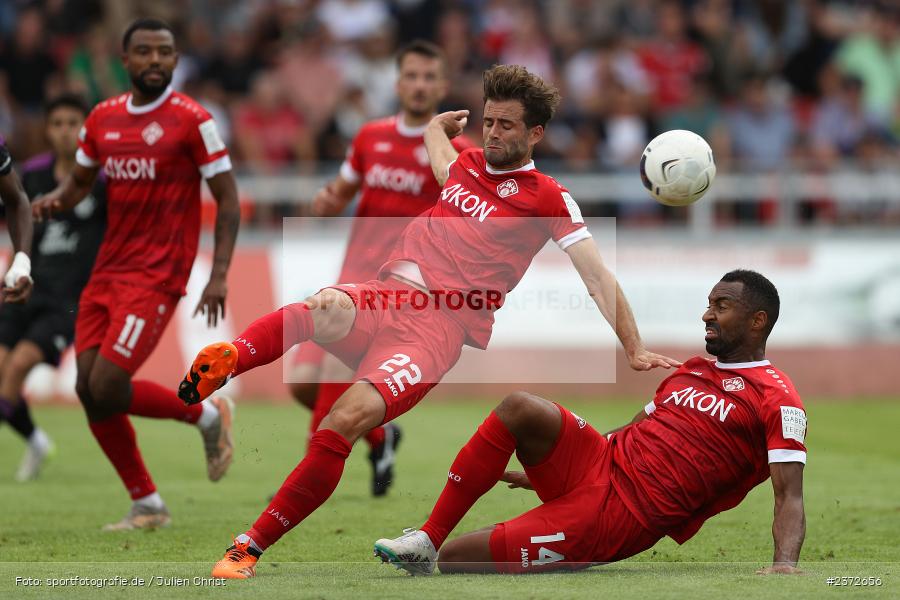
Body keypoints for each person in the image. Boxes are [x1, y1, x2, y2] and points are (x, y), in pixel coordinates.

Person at [179, 64, 679, 579]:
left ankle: (246, 548)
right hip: (385, 297)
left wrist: (634, 347)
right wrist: (436, 128)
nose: (493, 133)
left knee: (342, 422)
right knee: (322, 305)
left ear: (535, 133)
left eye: (506, 125)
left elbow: (596, 276)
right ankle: (230, 359)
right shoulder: (467, 166)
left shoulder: (547, 197)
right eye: (489, 121)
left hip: (434, 333)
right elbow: (442, 159)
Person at [374, 270, 807, 577]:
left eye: (721, 306)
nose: (707, 315)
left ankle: (465, 546)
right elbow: (636, 427)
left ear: (757, 320)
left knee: (459, 558)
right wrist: (557, 466)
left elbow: (789, 493)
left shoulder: (776, 397)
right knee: (520, 406)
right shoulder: (691, 370)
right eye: (709, 305)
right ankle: (427, 538)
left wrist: (784, 565)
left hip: (623, 515)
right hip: (599, 460)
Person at [32, 18, 241, 530]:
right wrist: (52, 201)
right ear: (125, 61)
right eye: (144, 52)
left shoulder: (193, 120)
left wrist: (219, 275)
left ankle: (206, 415)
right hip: (107, 271)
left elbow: (229, 199)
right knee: (87, 388)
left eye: (164, 52)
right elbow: (78, 183)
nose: (154, 60)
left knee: (107, 384)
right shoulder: (102, 118)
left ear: (175, 60)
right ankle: (147, 503)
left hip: (157, 274)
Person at [292, 39, 473, 496]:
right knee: (301, 383)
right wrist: (325, 201)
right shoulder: (370, 137)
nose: (419, 85)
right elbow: (341, 190)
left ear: (443, 86)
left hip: (398, 290)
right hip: (349, 275)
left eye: (429, 77)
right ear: (398, 83)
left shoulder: (458, 151)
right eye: (411, 76)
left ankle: (302, 483)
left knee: (332, 377)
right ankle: (382, 436)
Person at [0, 94, 106, 481]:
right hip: (27, 287)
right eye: (57, 124)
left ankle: (33, 441)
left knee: (17, 367)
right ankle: (37, 441)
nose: (65, 132)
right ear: (47, 130)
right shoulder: (32, 174)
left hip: (68, 300)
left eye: (72, 123)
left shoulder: (103, 181)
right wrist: (14, 269)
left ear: (86, 129)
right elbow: (16, 218)